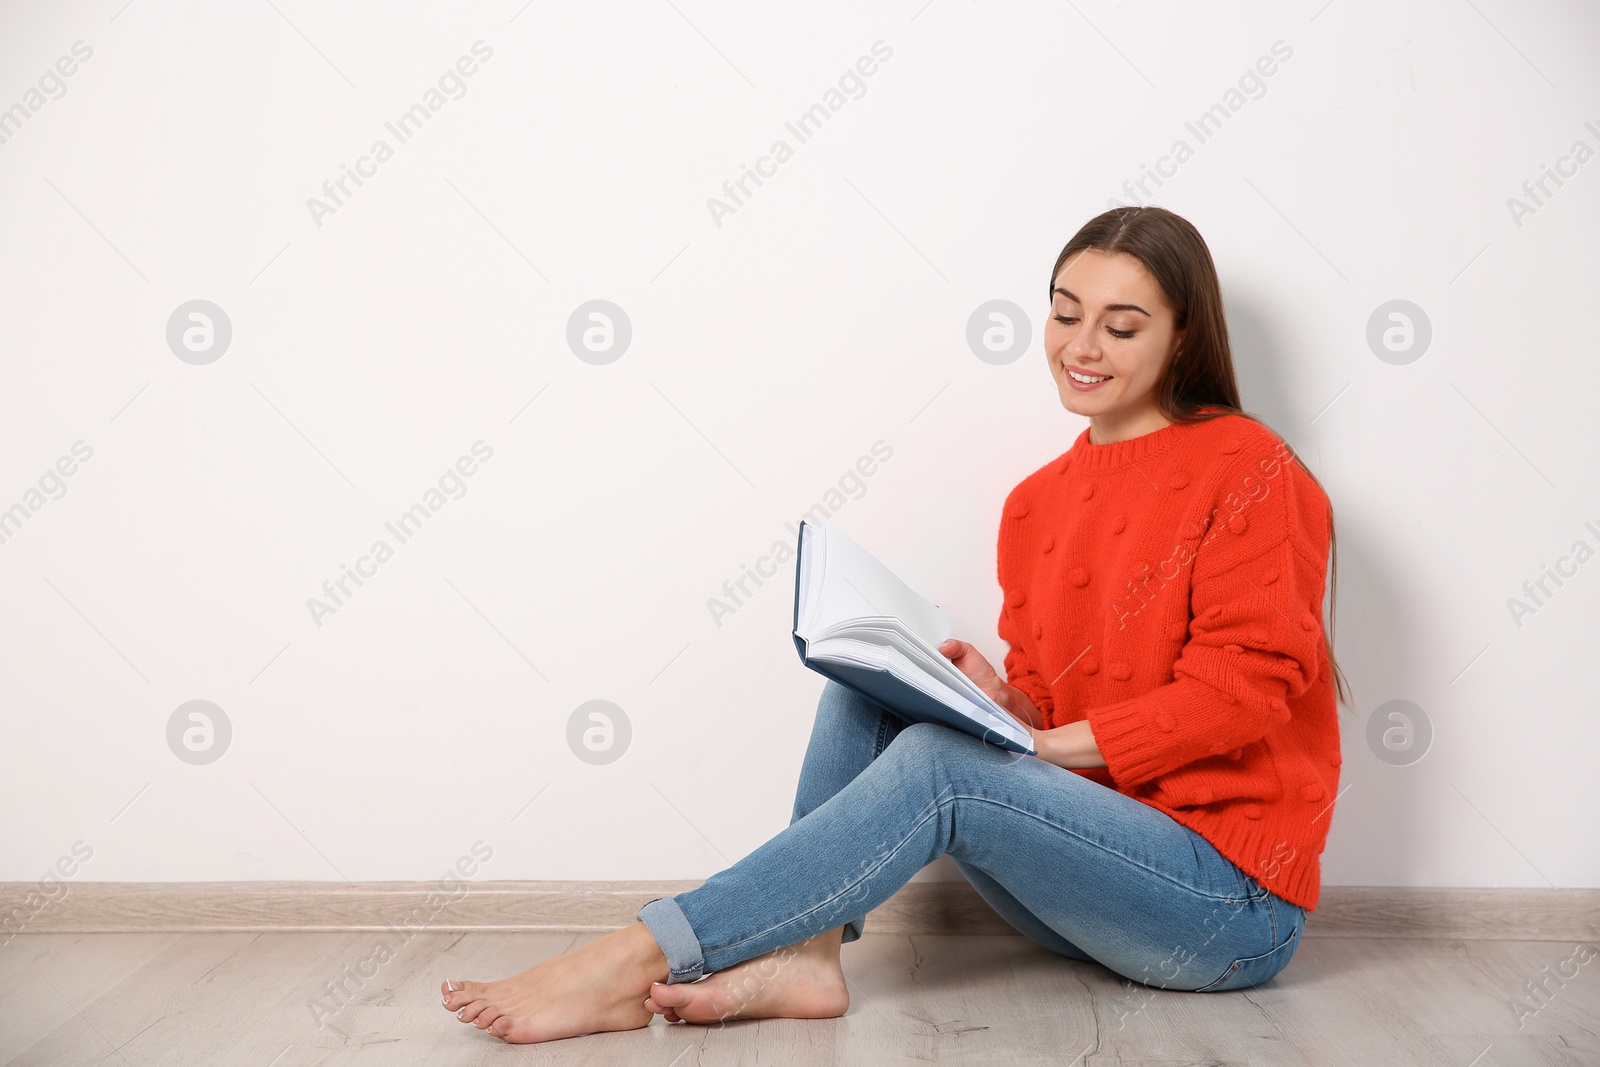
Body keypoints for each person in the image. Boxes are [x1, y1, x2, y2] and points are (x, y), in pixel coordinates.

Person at [438, 205, 1349, 1044]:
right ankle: (809, 953)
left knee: (944, 768)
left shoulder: (1251, 466)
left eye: (1121, 325)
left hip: (1226, 908)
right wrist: (998, 699)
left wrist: (1035, 748)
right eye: (1065, 313)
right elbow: (1052, 702)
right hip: (1095, 877)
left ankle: (634, 954)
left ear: (1183, 337)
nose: (1082, 345)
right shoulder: (1035, 502)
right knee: (867, 690)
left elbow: (1246, 689)